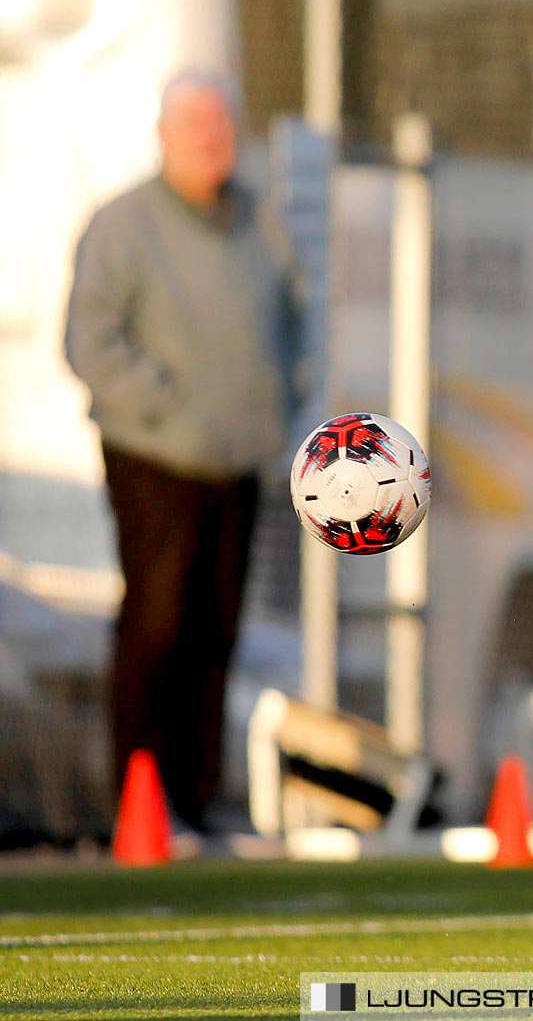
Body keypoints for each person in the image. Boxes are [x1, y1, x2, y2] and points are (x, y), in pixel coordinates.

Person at [65, 70, 306, 834]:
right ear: (165, 136)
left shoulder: (258, 226)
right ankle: (139, 798)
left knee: (217, 630)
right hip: (154, 457)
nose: (212, 139)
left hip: (238, 462)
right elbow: (90, 340)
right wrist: (166, 405)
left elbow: (296, 321)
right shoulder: (125, 225)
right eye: (196, 125)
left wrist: (277, 403)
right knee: (159, 623)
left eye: (222, 125)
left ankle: (197, 800)